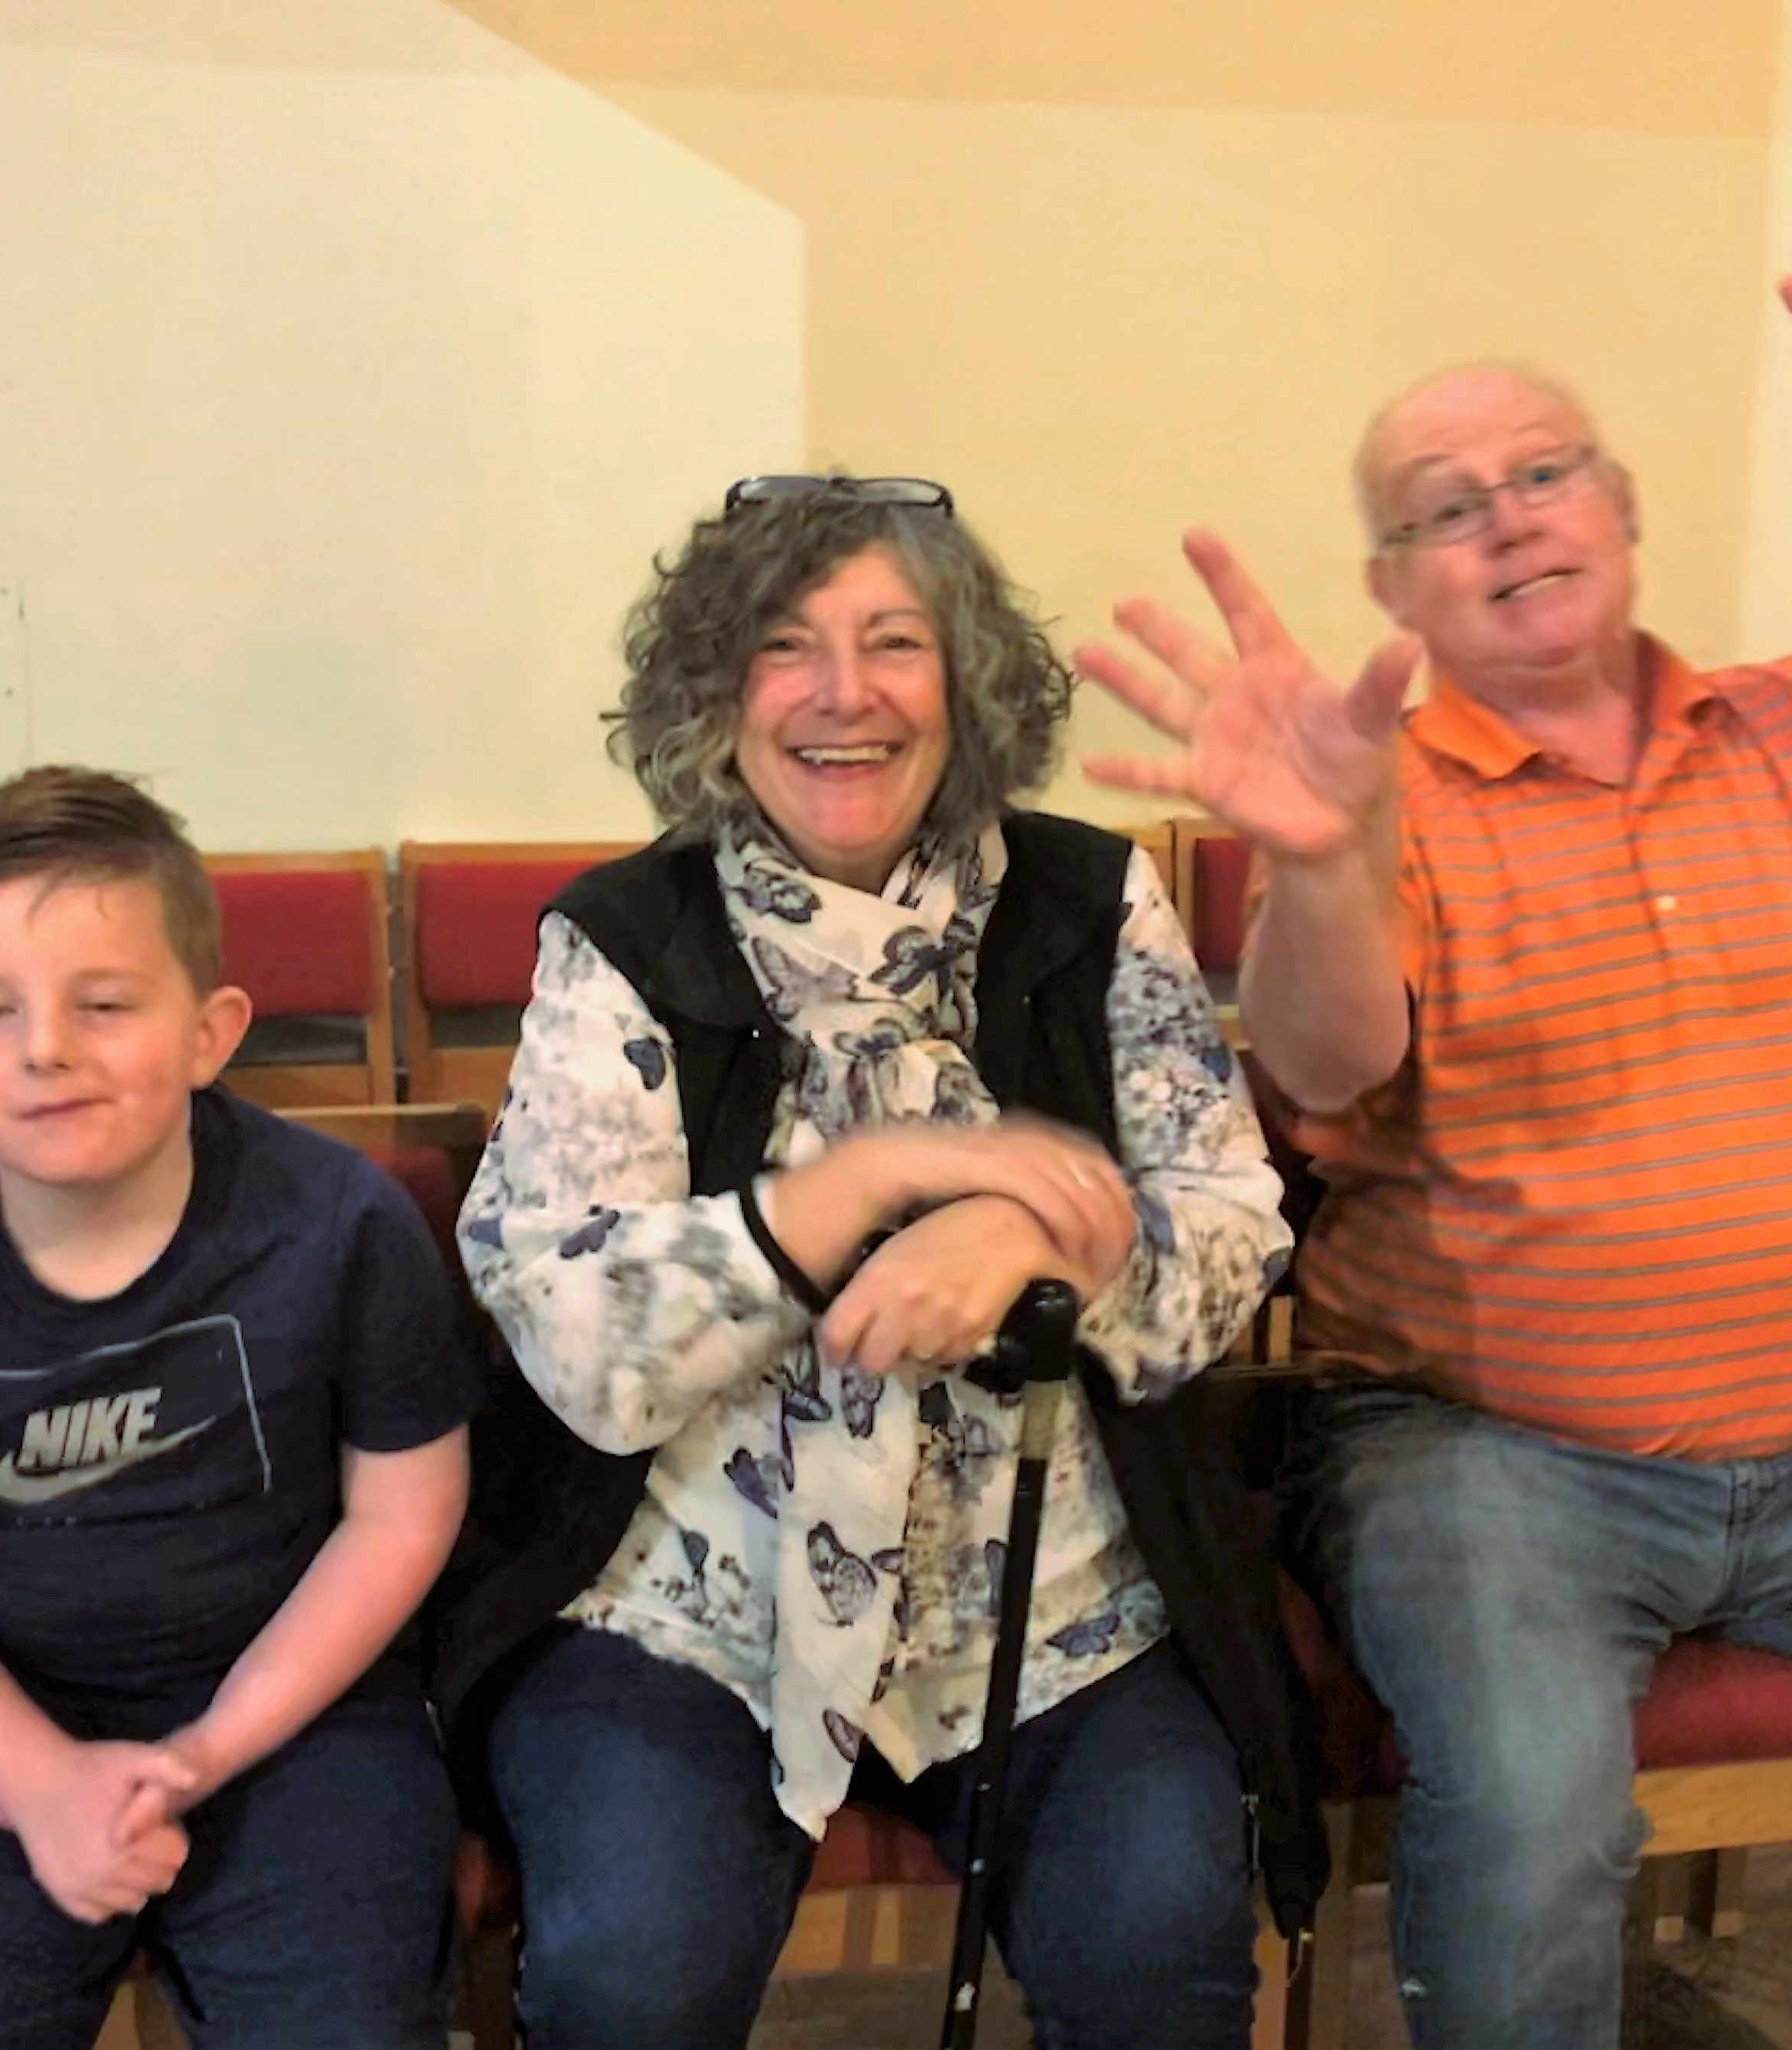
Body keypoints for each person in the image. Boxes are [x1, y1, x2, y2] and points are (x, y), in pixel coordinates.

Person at [1077, 212, 1792, 2049]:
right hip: (1475, 1447)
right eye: (1447, 509)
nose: (1508, 520)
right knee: (1536, 1811)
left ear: (1615, 505)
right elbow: (1326, 1059)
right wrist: (1321, 858)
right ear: (1394, 586)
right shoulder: (1382, 789)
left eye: (1540, 474)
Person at [432, 473, 1319, 2050]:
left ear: (966, 681)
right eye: (785, 645)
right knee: (629, 1982)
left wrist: (1042, 1234)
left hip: (1053, 1591)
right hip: (691, 1597)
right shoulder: (623, 933)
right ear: (716, 692)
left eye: (894, 641)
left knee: (1162, 1961)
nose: (842, 691)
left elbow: (1233, 1215)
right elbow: (576, 1331)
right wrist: (870, 1180)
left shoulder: (1093, 899)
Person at [0, 767, 479, 2050]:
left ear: (211, 1030)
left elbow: (402, 1518)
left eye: (102, 1003)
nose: (45, 1046)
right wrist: (38, 1777)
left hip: (298, 1714)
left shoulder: (344, 1224)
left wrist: (205, 1752)